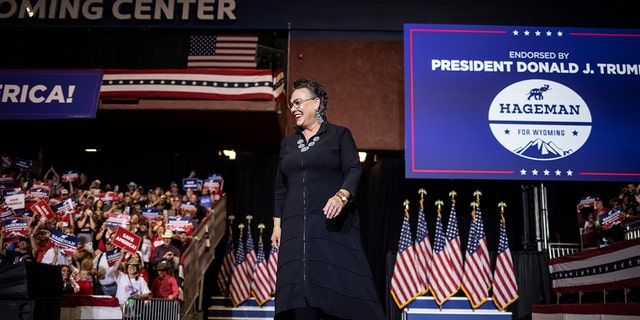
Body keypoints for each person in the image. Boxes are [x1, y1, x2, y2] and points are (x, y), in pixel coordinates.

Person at [270, 79, 385, 320]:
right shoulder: (288, 144)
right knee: (298, 298)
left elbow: (353, 170)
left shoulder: (339, 135)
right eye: (291, 105)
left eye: (298, 102)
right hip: (293, 232)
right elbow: (281, 188)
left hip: (330, 228)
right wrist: (277, 225)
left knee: (335, 292)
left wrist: (341, 196)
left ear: (317, 103)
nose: (293, 109)